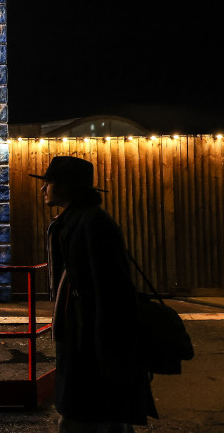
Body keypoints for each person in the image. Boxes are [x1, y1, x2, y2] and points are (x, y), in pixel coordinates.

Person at [31, 156, 157, 431]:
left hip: (89, 338)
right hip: (81, 333)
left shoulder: (92, 223)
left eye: (49, 182)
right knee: (103, 415)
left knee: (83, 412)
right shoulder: (75, 220)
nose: (44, 189)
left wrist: (106, 348)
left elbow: (112, 290)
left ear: (66, 187)